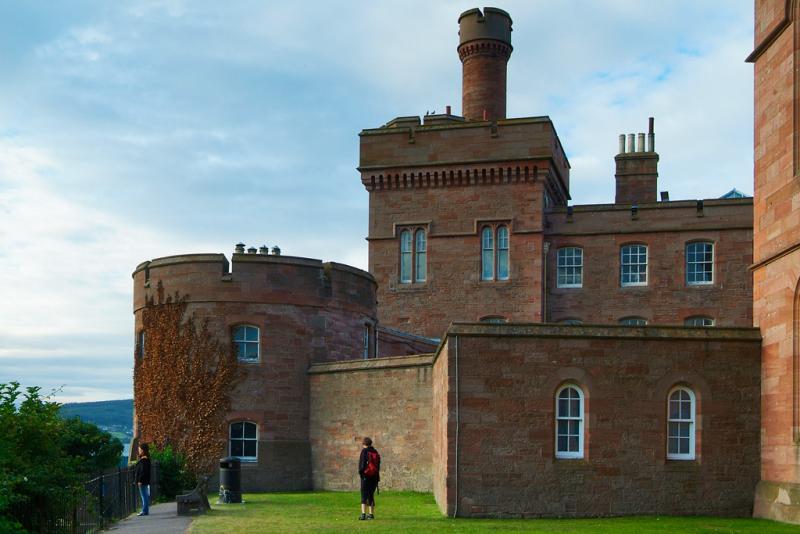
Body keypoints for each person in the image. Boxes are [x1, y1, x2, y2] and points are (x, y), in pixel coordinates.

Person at [358, 436, 380, 520]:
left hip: (366, 476)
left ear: (364, 444)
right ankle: (371, 514)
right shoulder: (375, 452)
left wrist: (361, 474)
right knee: (371, 495)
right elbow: (378, 466)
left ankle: (363, 514)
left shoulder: (364, 451)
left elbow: (362, 465)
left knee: (364, 494)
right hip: (374, 477)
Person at [134, 443, 152, 516]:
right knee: (145, 495)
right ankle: (145, 510)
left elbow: (143, 471)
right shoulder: (146, 459)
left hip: (142, 481)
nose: (139, 451)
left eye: (139, 450)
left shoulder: (144, 460)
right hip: (144, 480)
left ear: (143, 450)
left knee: (144, 496)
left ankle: (144, 511)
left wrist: (140, 480)